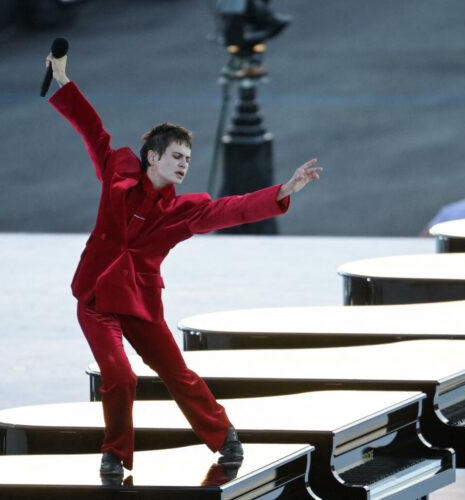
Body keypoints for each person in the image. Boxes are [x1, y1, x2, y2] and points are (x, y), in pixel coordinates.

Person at [44, 52, 322, 478]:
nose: (184, 164)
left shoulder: (184, 211)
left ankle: (222, 434)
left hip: (141, 303)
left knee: (176, 372)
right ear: (152, 157)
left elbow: (232, 208)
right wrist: (62, 80)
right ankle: (114, 455)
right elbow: (92, 130)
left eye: (188, 159)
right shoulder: (118, 174)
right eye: (176, 156)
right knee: (120, 376)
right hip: (96, 299)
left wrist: (284, 189)